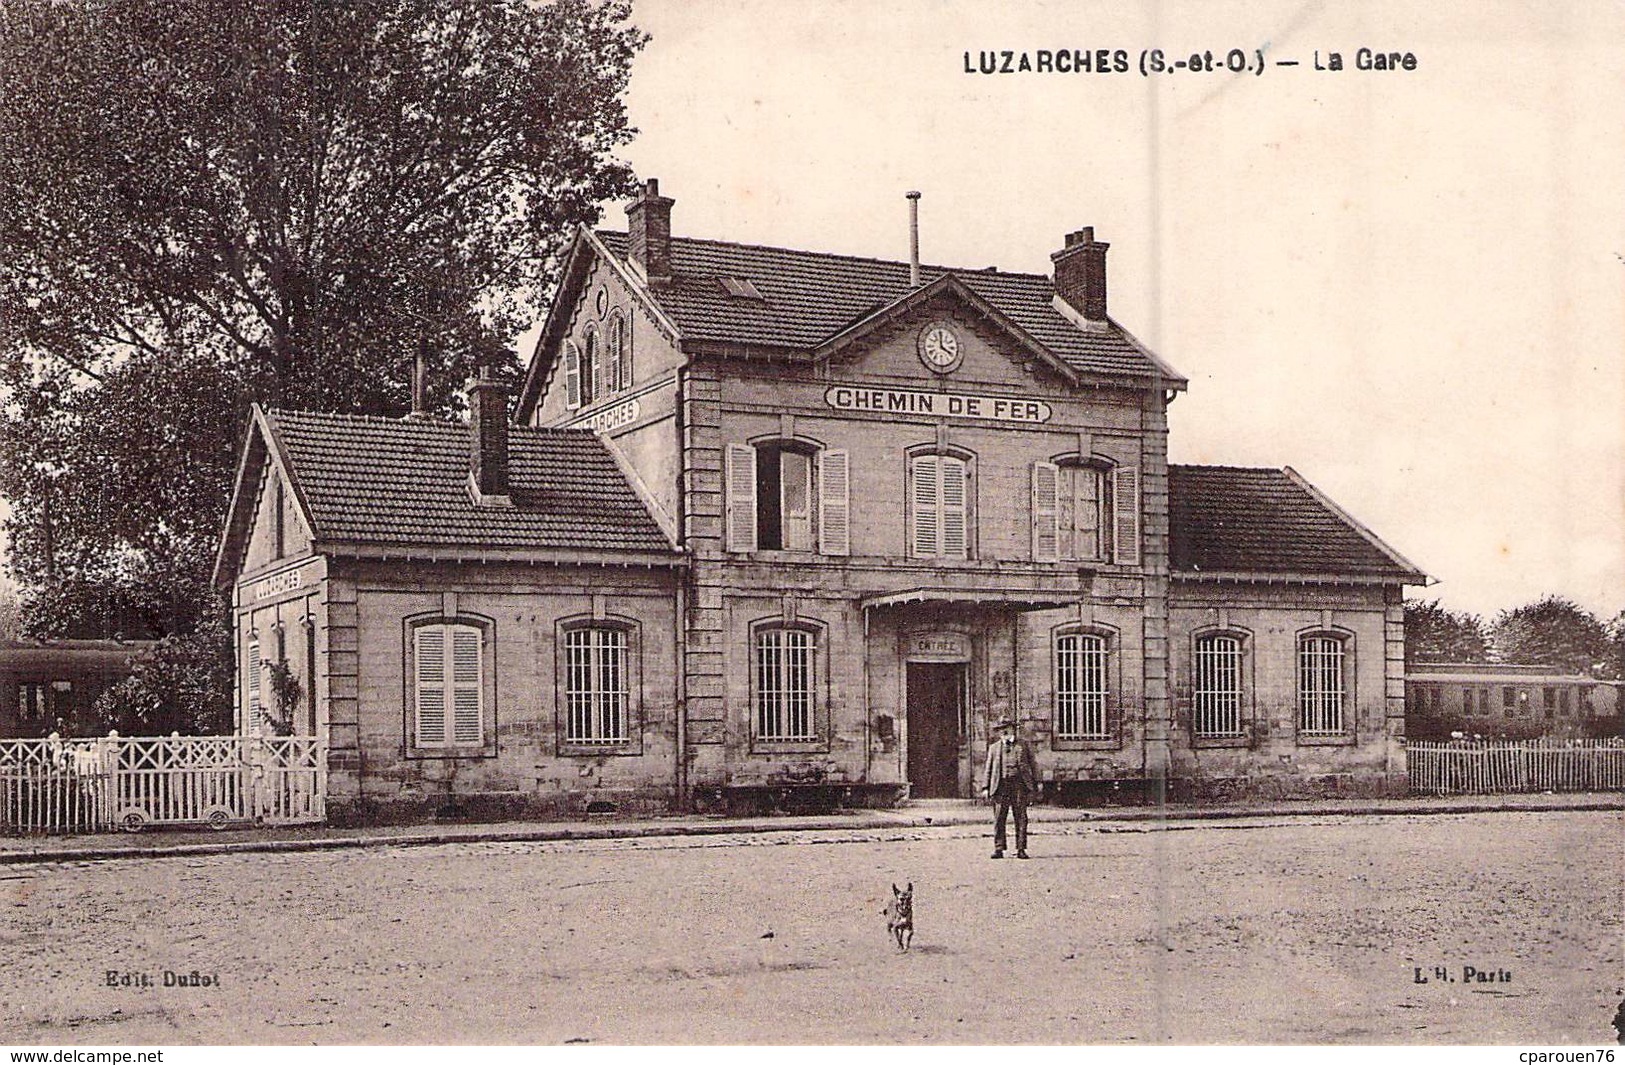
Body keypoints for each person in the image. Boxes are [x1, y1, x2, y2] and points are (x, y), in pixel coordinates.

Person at [982, 717, 1038, 859]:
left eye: (1006, 728)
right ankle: (999, 848)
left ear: (1013, 729)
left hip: (1019, 785)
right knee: (999, 818)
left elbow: (1033, 765)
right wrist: (985, 787)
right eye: (1001, 729)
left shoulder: (1023, 745)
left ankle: (1021, 848)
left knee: (1020, 817)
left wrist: (1037, 782)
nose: (1004, 731)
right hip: (1000, 786)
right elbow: (988, 768)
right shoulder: (994, 748)